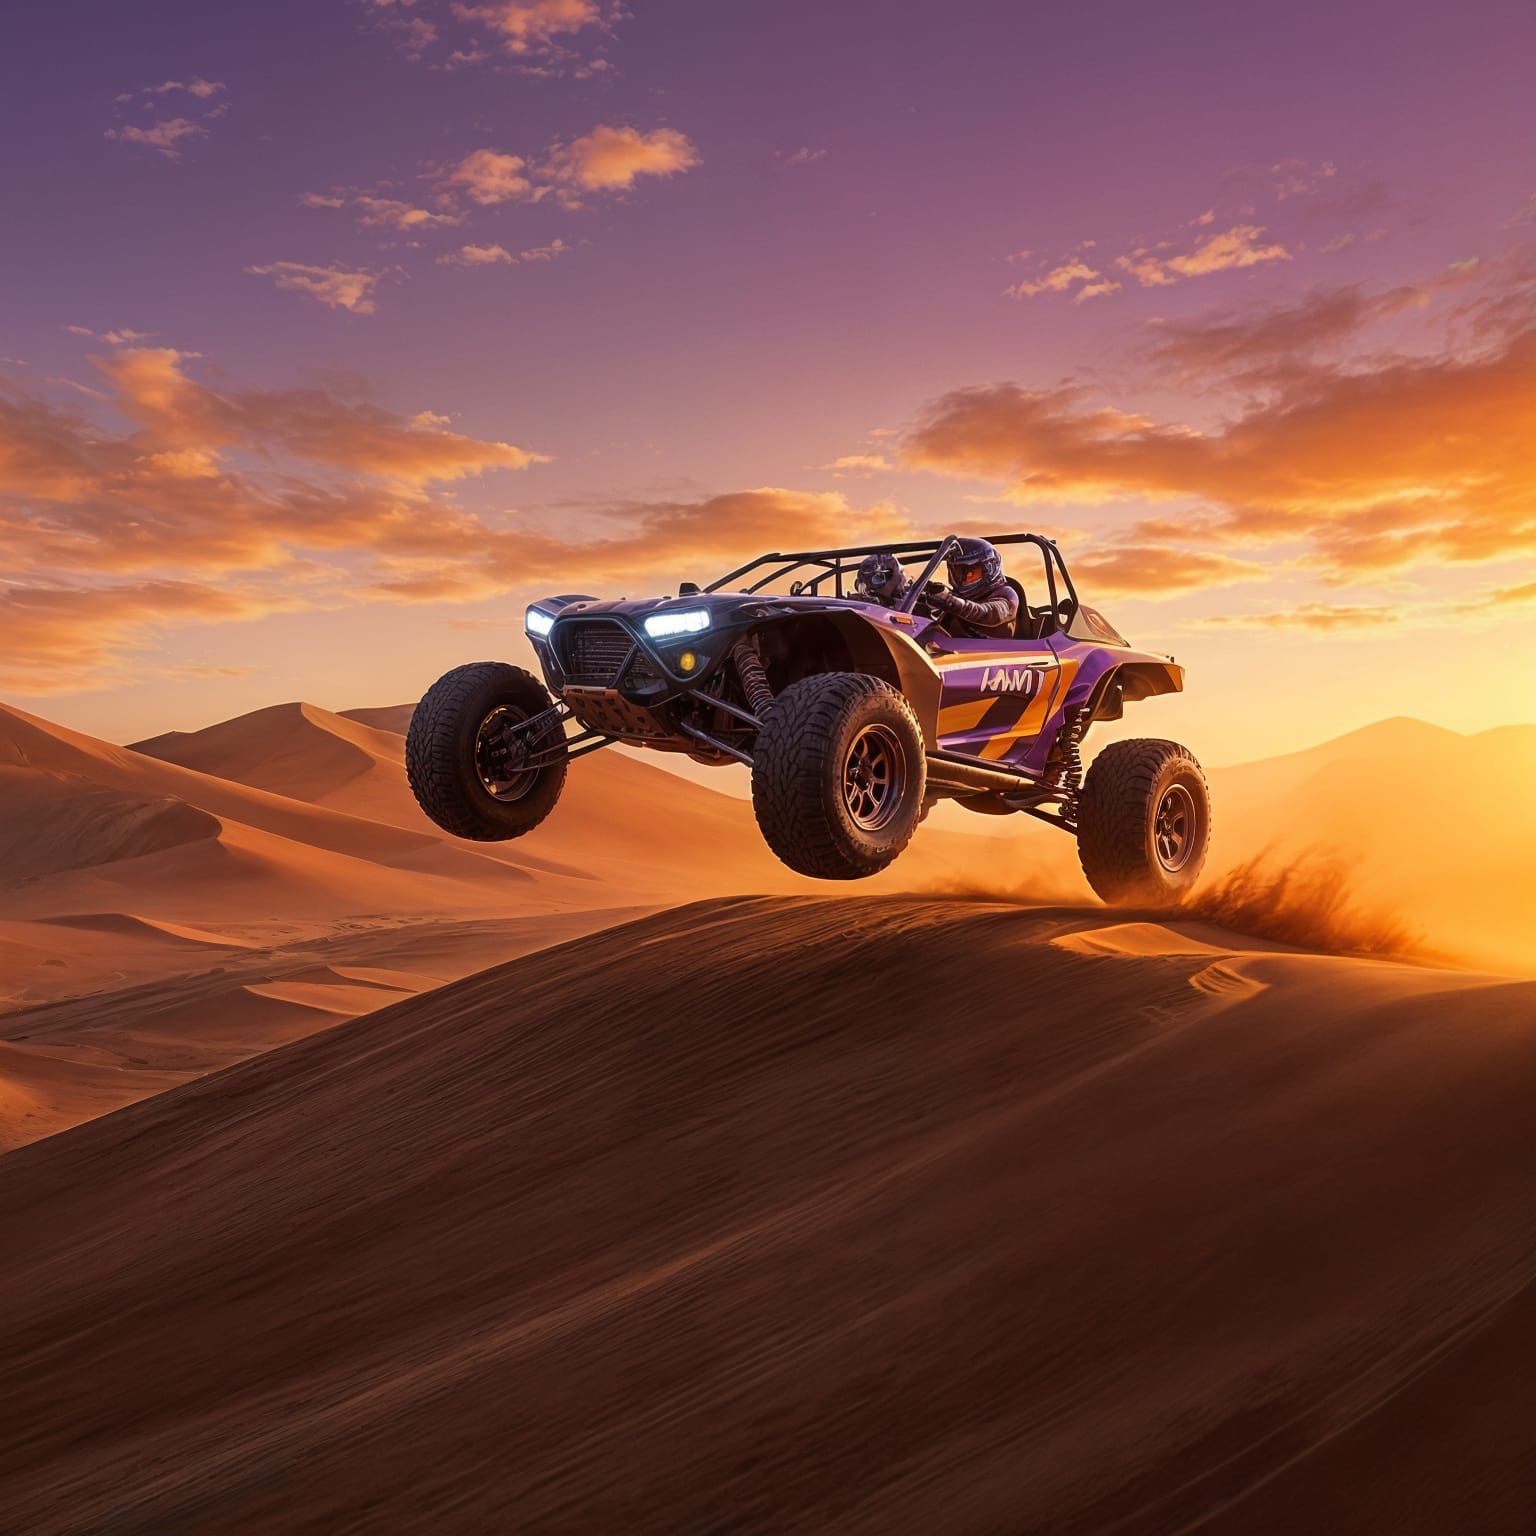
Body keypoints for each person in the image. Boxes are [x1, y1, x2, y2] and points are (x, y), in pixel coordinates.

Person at [926, 537, 1019, 639]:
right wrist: (929, 598)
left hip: (994, 648)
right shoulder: (957, 596)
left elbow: (988, 613)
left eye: (973, 571)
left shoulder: (1006, 595)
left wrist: (949, 601)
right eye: (961, 571)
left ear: (989, 570)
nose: (968, 576)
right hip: (950, 646)